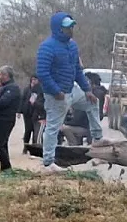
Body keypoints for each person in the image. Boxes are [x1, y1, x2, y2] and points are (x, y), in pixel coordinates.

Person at [37, 12, 101, 173]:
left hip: (71, 90)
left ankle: (98, 139)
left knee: (93, 102)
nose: (71, 30)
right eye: (67, 27)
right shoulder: (47, 47)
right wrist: (55, 90)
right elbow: (42, 73)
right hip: (56, 95)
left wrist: (87, 90)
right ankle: (48, 162)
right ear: (58, 29)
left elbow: (77, 71)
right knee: (53, 126)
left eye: (71, 26)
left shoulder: (72, 46)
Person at [20, 76, 45, 145]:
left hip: (39, 115)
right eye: (32, 79)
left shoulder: (42, 89)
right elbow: (25, 100)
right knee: (28, 130)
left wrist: (35, 103)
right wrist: (21, 110)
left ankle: (35, 148)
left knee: (37, 134)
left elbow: (42, 104)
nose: (33, 81)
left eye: (35, 79)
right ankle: (26, 146)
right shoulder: (28, 89)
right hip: (29, 113)